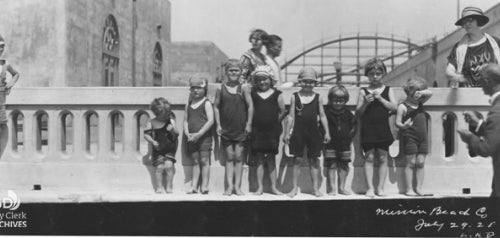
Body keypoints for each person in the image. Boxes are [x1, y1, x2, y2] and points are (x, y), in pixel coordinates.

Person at [283, 67, 331, 197]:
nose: (308, 84)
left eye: (311, 82)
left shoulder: (318, 97)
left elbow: (322, 116)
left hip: (314, 132)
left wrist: (327, 132)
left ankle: (315, 189)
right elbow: (291, 116)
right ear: (300, 81)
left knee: (314, 160)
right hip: (298, 132)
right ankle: (294, 188)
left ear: (315, 83)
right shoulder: (295, 97)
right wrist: (287, 133)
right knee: (297, 160)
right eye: (305, 81)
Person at [356, 58, 397, 197]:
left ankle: (380, 188)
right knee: (369, 157)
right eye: (372, 74)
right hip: (368, 129)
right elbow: (359, 112)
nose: (375, 76)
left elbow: (395, 107)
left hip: (382, 129)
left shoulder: (388, 90)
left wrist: (381, 99)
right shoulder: (363, 91)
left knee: (383, 158)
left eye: (378, 73)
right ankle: (369, 188)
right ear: (367, 75)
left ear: (383, 74)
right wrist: (366, 103)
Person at [458, 63, 500, 198]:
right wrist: (479, 124)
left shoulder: (496, 110)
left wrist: (470, 137)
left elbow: (487, 148)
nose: (478, 82)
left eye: (480, 78)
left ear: (488, 81)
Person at [214, 59, 254, 196]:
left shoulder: (243, 88)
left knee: (238, 156)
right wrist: (218, 124)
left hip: (241, 128)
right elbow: (216, 107)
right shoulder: (221, 88)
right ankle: (229, 186)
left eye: (236, 70)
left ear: (241, 72)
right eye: (231, 70)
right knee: (229, 157)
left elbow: (250, 106)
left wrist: (249, 124)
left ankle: (238, 186)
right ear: (226, 72)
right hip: (226, 128)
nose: (233, 73)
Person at [250, 65, 287, 195]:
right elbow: (251, 109)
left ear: (271, 79)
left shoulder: (277, 94)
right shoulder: (253, 94)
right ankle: (260, 187)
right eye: (259, 80)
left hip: (272, 132)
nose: (262, 82)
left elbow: (283, 111)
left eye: (265, 79)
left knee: (271, 159)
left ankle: (273, 187)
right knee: (259, 159)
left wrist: (275, 122)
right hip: (257, 131)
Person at [395, 76, 433, 196]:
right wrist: (403, 126)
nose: (419, 96)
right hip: (410, 137)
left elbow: (430, 93)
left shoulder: (421, 103)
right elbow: (397, 122)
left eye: (420, 94)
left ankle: (419, 188)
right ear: (409, 92)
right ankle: (409, 189)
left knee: (421, 162)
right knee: (410, 163)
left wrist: (421, 92)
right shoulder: (403, 106)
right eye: (416, 93)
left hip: (423, 138)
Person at [446, 6, 500, 87]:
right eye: (464, 22)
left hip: (492, 93)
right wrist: (458, 78)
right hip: (467, 95)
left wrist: (489, 69)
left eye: (470, 20)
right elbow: (449, 71)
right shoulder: (458, 48)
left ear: (479, 21)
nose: (467, 24)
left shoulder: (495, 43)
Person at [323, 84, 356, 196]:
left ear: (345, 101)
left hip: (345, 144)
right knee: (331, 165)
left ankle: (341, 187)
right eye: (335, 100)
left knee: (344, 165)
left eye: (341, 100)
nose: (338, 103)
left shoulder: (348, 113)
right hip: (330, 144)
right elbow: (321, 126)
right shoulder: (326, 112)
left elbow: (353, 127)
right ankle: (332, 189)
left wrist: (348, 138)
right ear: (330, 100)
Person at [184, 77, 214, 194]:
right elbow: (186, 120)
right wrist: (187, 133)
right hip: (191, 137)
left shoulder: (206, 103)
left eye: (198, 88)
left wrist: (199, 134)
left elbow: (210, 121)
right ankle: (194, 185)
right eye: (193, 88)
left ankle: (205, 186)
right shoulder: (189, 104)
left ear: (204, 89)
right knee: (195, 161)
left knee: (205, 160)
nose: (195, 91)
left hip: (204, 138)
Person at [144, 98, 179, 194]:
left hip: (169, 149)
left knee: (168, 166)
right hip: (158, 150)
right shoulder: (152, 122)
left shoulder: (171, 121)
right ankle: (159, 187)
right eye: (166, 114)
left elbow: (177, 134)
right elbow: (146, 135)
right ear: (157, 114)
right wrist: (152, 141)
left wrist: (172, 130)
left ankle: (169, 186)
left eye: (169, 113)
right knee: (159, 168)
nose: (168, 115)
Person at [0, 34, 19, 159]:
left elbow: (16, 74)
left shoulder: (5, 63)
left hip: (1, 96)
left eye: (2, 46)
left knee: (2, 123)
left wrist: (10, 85)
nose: (1, 49)